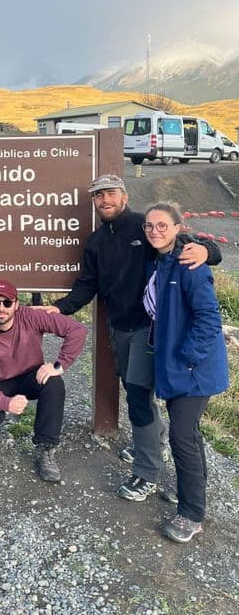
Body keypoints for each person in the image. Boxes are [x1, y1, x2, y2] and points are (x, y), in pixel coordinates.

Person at [39, 174, 221, 501]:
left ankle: (147, 470)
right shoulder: (95, 241)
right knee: (135, 392)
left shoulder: (145, 226)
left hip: (148, 329)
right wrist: (60, 309)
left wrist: (208, 250)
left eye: (110, 193)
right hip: (119, 327)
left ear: (123, 195)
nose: (104, 200)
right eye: (98, 196)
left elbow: (189, 245)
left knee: (137, 396)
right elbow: (87, 285)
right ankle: (151, 443)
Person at [142, 202, 229, 543]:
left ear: (178, 227)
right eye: (149, 225)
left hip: (193, 369)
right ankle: (191, 494)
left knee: (181, 436)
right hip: (177, 364)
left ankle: (191, 514)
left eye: (162, 225)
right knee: (188, 434)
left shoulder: (189, 263)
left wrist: (188, 357)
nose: (154, 231)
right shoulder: (161, 260)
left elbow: (209, 317)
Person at [0, 280, 87, 482]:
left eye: (7, 302)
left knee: (54, 383)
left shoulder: (31, 316)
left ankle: (45, 448)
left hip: (30, 374)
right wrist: (5, 403)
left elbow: (77, 330)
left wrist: (59, 365)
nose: (1, 308)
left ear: (16, 304)